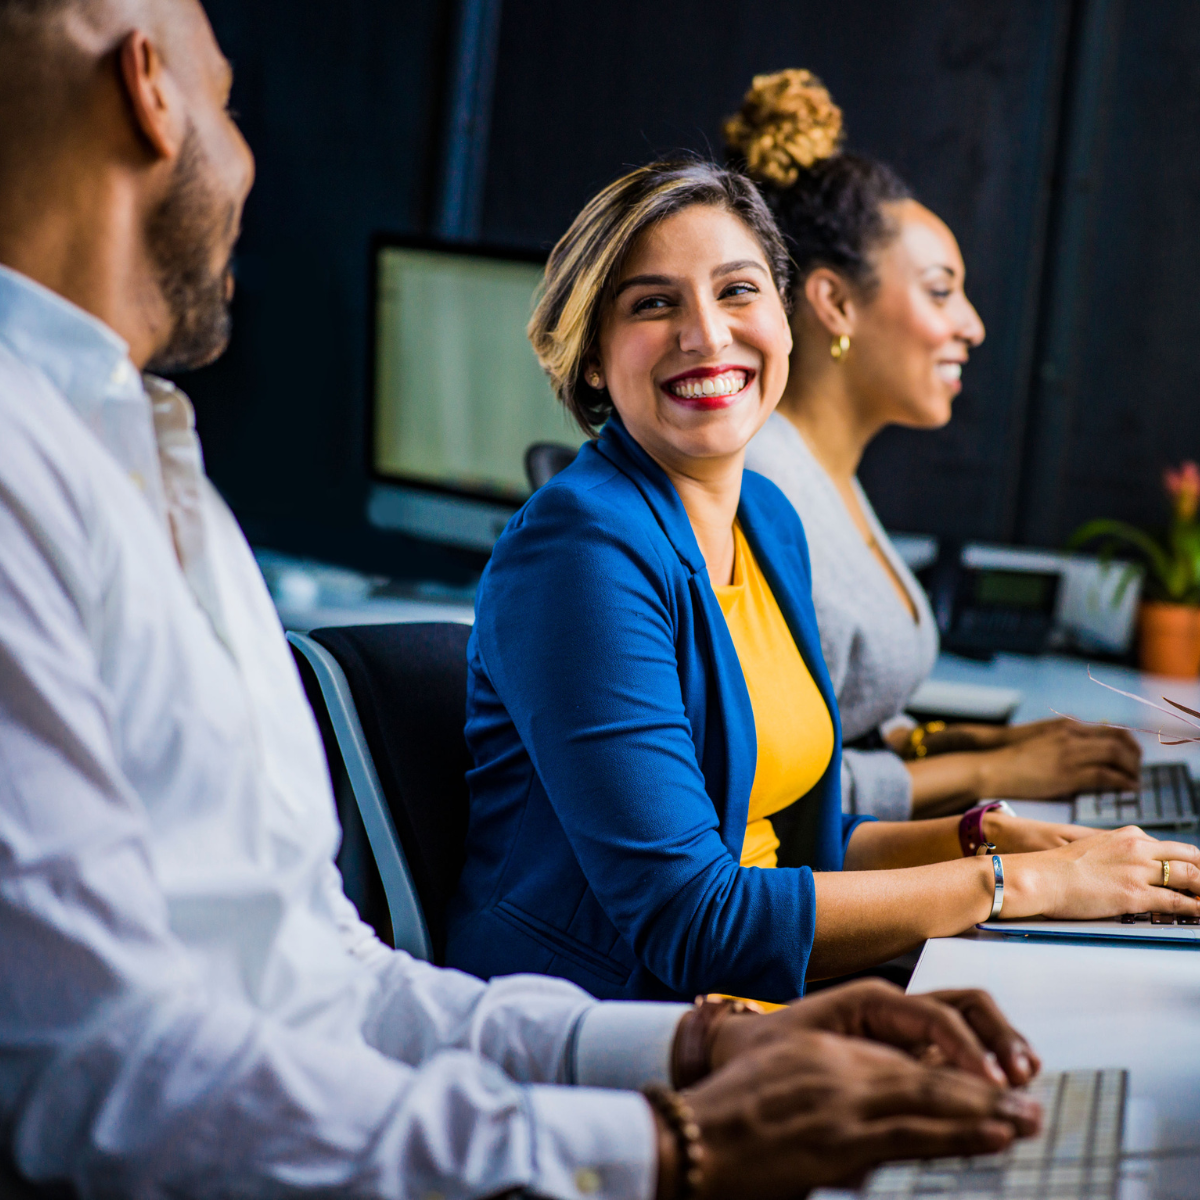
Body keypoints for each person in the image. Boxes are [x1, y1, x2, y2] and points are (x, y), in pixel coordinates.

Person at [0, 1, 1052, 1197]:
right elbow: (99, 1077)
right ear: (148, 88)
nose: (246, 163)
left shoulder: (146, 460)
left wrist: (701, 1052)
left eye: (738, 290)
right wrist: (668, 1139)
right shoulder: (24, 477)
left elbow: (324, 977)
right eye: (230, 105)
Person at [446, 155, 1200, 1007]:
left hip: (773, 999)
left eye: (738, 291)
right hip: (609, 1030)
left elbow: (795, 847)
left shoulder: (766, 519)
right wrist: (1014, 884)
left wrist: (990, 842)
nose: (706, 333)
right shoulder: (579, 550)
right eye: (653, 305)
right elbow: (693, 918)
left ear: (785, 312)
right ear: (591, 359)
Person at [727, 69, 1142, 821]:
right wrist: (997, 770)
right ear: (835, 302)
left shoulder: (827, 475)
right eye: (941, 290)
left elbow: (843, 723)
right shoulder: (762, 488)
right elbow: (770, 793)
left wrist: (977, 746)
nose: (973, 325)